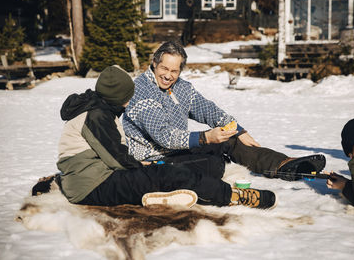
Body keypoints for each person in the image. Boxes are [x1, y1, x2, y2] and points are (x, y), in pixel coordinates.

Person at [36, 65, 277, 210]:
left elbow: (113, 156)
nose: (130, 102)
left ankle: (163, 191)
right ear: (116, 96)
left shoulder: (100, 109)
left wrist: (144, 167)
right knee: (170, 174)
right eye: (127, 97)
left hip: (99, 175)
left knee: (208, 165)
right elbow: (118, 160)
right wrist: (146, 169)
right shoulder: (97, 116)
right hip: (92, 185)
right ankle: (234, 197)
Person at [122, 40, 326, 181]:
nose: (168, 76)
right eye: (164, 69)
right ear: (154, 63)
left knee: (229, 138)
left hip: (177, 151)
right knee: (214, 163)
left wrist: (237, 129)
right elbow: (164, 136)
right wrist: (205, 138)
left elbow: (207, 109)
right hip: (152, 160)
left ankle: (284, 165)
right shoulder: (140, 90)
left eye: (174, 71)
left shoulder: (181, 87)